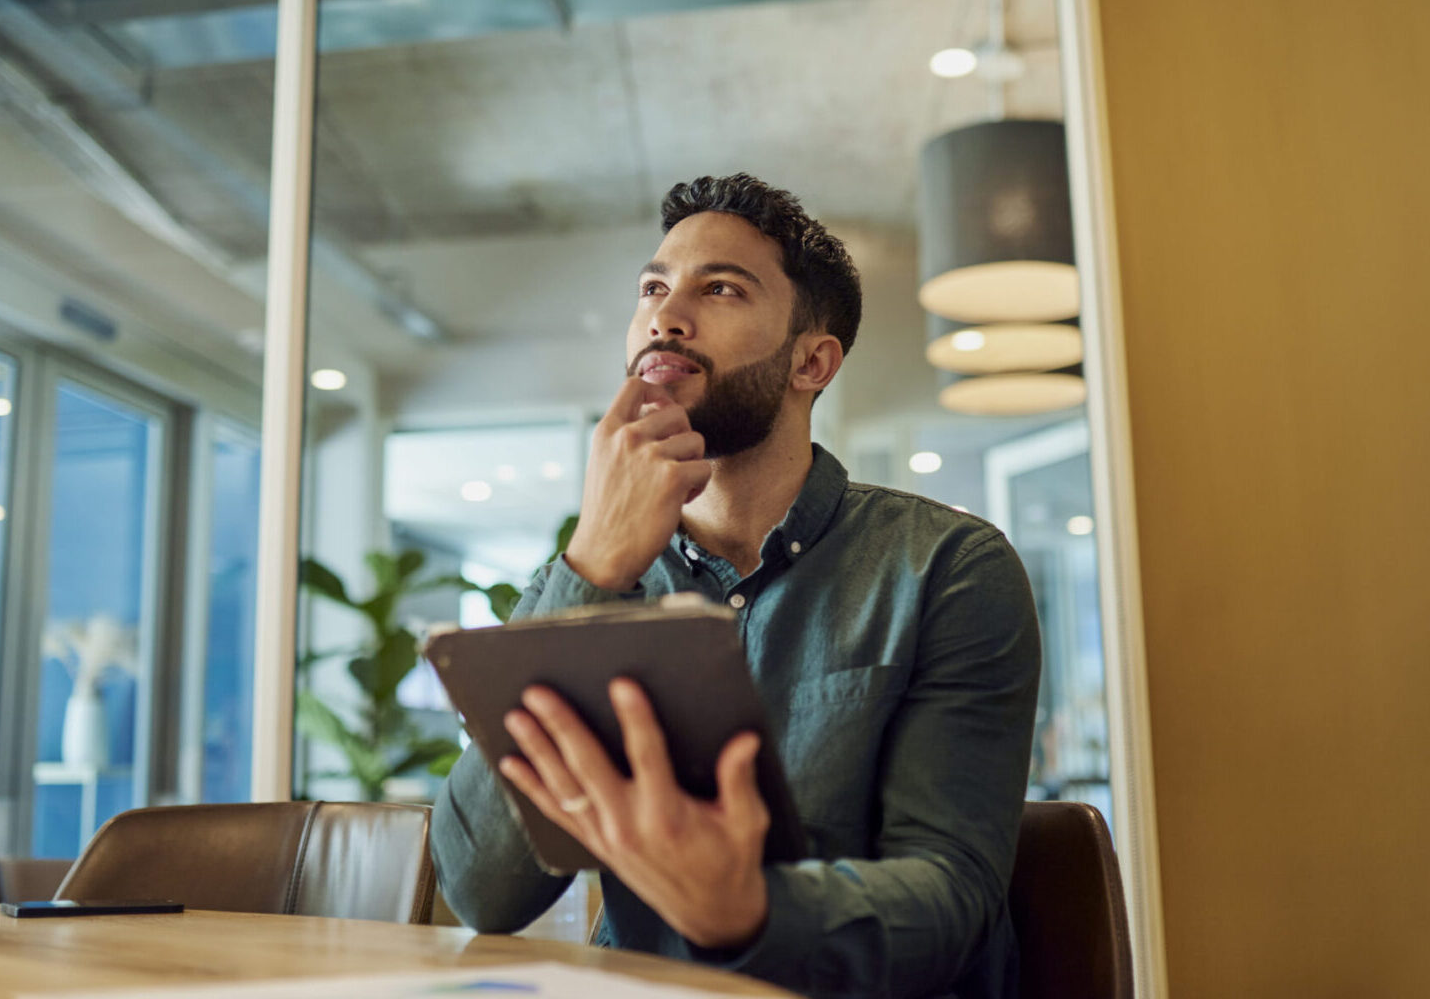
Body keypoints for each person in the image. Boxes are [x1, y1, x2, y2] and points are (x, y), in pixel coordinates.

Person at [429, 173, 1041, 999]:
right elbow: (482, 890)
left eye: (719, 288)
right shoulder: (580, 578)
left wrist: (746, 911)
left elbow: (951, 897)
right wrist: (593, 568)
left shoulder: (948, 567)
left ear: (812, 360)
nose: (665, 316)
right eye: (653, 287)